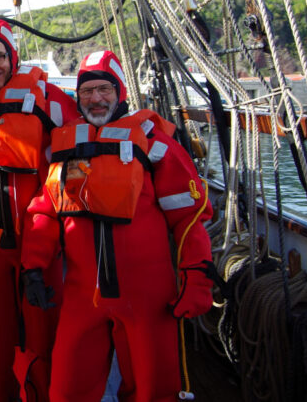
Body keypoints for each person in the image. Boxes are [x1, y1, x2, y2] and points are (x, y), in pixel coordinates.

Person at [21, 50, 214, 402]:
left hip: (147, 297)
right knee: (66, 389)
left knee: (154, 390)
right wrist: (33, 266)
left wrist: (196, 275)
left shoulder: (154, 143)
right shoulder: (65, 145)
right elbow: (46, 210)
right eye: (87, 91)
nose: (95, 98)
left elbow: (189, 217)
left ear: (120, 91)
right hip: (83, 295)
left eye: (104, 89)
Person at [0, 19, 79, 402]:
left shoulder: (50, 98)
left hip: (37, 236)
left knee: (43, 332)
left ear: (13, 56)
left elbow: (91, 130)